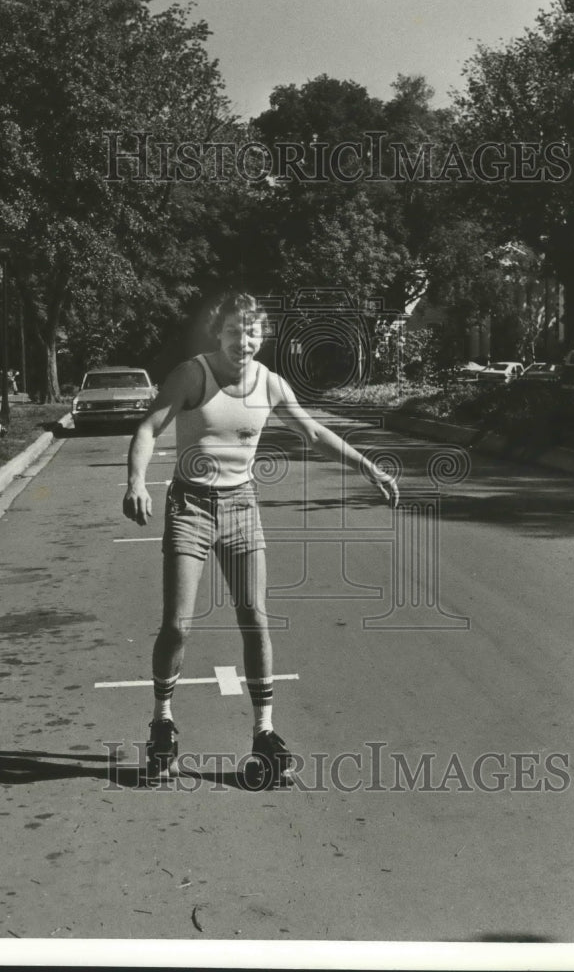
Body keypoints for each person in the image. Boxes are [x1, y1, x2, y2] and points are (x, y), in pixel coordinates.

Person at [123, 292, 399, 785]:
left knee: (255, 618)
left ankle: (264, 734)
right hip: (190, 507)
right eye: (233, 332)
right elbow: (148, 429)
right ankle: (163, 721)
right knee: (179, 625)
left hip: (241, 507)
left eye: (252, 333)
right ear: (219, 333)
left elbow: (312, 433)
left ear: (263, 336)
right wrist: (135, 482)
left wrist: (367, 466)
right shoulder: (192, 375)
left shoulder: (270, 384)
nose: (242, 341)